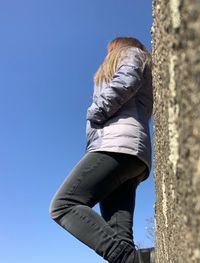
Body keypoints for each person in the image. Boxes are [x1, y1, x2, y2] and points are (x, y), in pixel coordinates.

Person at [49, 36, 155, 263]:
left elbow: (127, 80)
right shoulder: (139, 61)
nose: (107, 55)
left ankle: (138, 260)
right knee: (120, 238)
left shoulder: (132, 53)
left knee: (63, 205)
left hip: (118, 147)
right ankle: (139, 259)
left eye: (110, 50)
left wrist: (95, 111)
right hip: (132, 154)